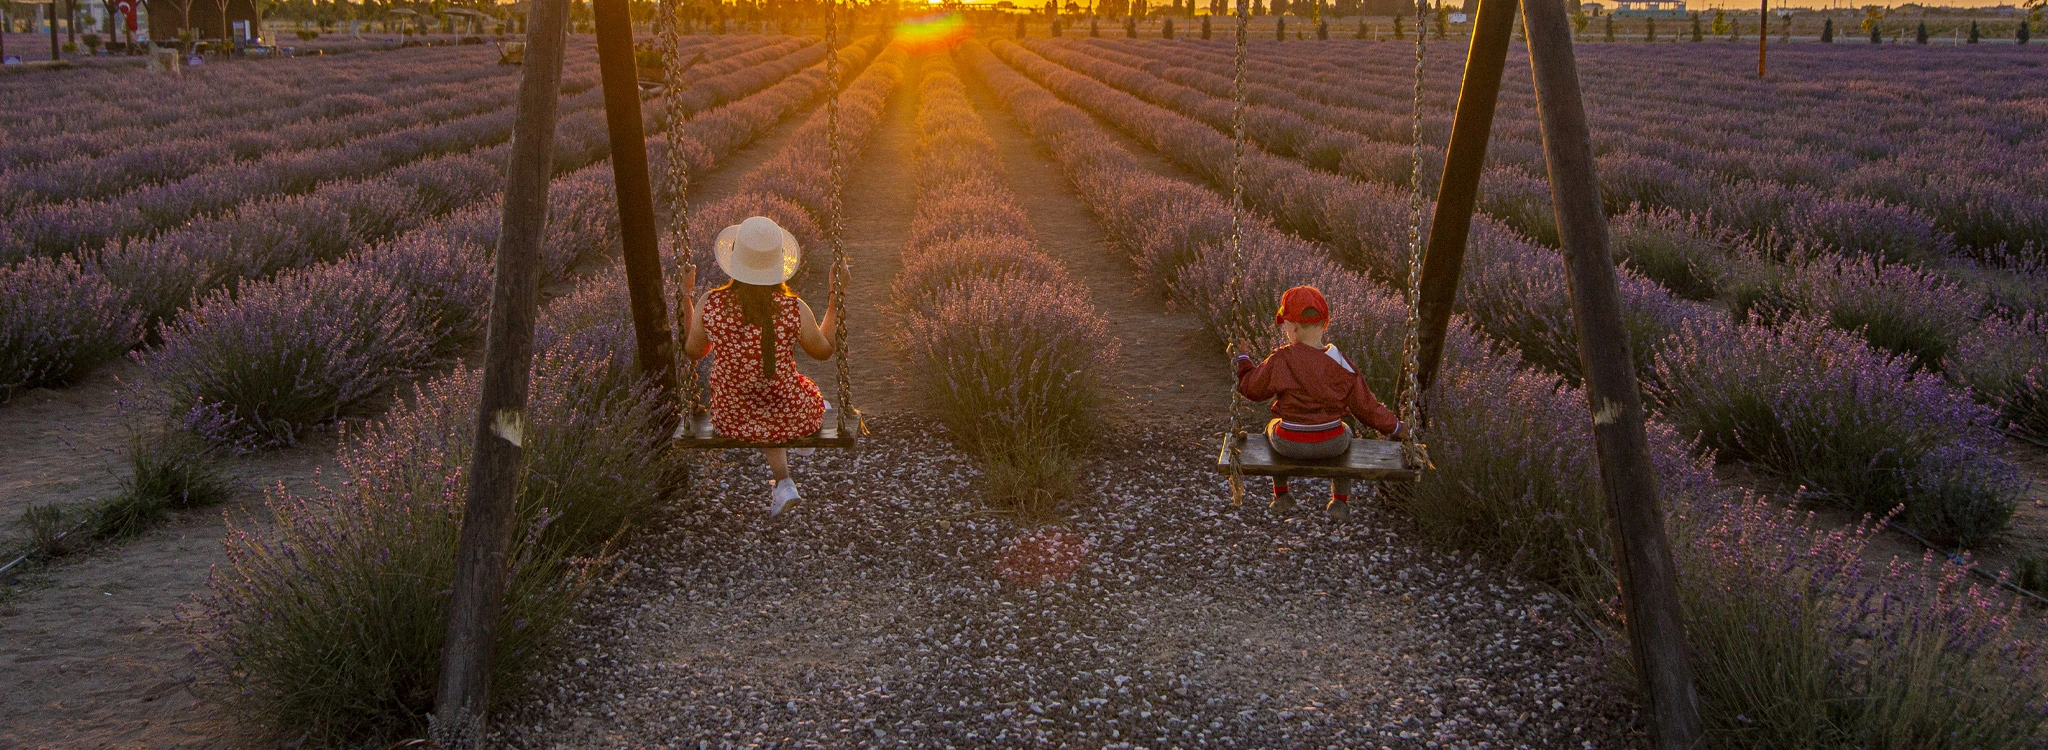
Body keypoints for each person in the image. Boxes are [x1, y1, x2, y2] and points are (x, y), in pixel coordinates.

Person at [678, 216, 846, 516]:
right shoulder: (793, 308)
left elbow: (694, 351)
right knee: (804, 396)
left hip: (731, 414)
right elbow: (824, 351)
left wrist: (687, 296)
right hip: (788, 411)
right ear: (777, 262)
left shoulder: (711, 304)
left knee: (762, 399)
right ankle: (791, 465)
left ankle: (784, 483)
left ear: (736, 259)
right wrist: (836, 296)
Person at [1232, 285, 1408, 523]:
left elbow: (1251, 389)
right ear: (1325, 324)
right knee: (1348, 432)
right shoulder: (1341, 363)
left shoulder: (1281, 359)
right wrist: (1397, 427)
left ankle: (1282, 496)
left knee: (1271, 426)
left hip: (1289, 443)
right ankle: (1339, 501)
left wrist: (1242, 358)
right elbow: (1367, 408)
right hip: (1332, 443)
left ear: (1292, 329)